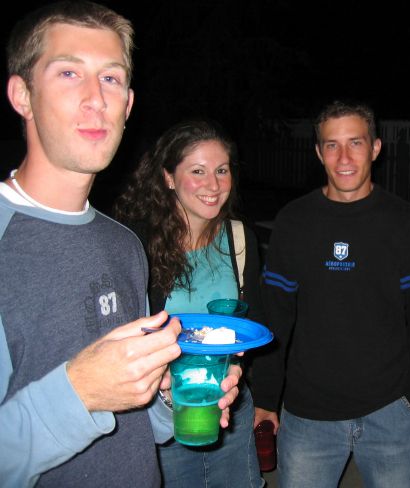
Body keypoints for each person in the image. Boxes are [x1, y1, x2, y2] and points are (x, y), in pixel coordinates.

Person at [0, 3, 240, 487]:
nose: (96, 99)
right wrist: (79, 391)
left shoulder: (124, 245)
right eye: (69, 73)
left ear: (128, 105)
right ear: (22, 94)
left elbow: (138, 424)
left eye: (110, 79)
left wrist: (170, 395)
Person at [252, 100, 410, 487]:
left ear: (375, 148)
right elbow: (275, 319)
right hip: (308, 416)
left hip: (390, 411)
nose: (343, 158)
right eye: (332, 145)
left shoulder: (407, 223)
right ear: (318, 152)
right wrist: (266, 399)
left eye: (355, 143)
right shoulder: (295, 222)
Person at [114, 119, 264, 487]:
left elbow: (252, 324)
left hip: (229, 406)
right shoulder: (135, 243)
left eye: (221, 170)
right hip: (161, 413)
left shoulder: (240, 239)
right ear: (168, 177)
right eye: (198, 171)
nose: (213, 185)